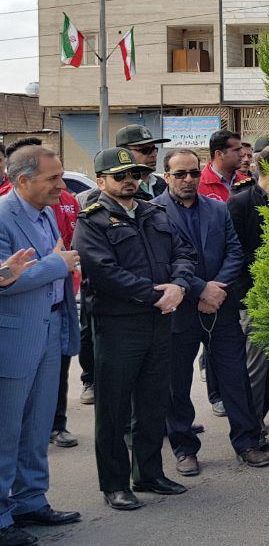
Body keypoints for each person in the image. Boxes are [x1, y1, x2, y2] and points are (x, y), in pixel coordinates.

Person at [74, 147, 196, 510]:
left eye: (135, 174)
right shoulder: (92, 221)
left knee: (153, 400)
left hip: (160, 321)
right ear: (100, 181)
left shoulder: (154, 212)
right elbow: (103, 271)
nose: (130, 181)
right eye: (120, 176)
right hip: (118, 325)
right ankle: (114, 484)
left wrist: (179, 286)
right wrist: (155, 295)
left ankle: (149, 473)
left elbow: (184, 253)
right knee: (113, 409)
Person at [153, 149, 269, 475]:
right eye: (180, 174)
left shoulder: (218, 209)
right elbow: (162, 262)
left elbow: (235, 251)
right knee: (177, 382)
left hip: (222, 305)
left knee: (235, 376)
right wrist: (200, 289)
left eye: (193, 173)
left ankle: (247, 442)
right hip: (180, 309)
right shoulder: (153, 213)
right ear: (167, 177)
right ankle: (184, 447)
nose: (188, 179)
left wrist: (216, 288)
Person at [0, 146, 82, 543]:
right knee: (6, 429)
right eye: (52, 179)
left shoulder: (46, 212)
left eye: (60, 176)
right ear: (22, 181)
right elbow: (4, 280)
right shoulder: (2, 216)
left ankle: (31, 500)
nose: (61, 185)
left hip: (48, 329)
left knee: (37, 425)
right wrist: (57, 263)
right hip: (14, 337)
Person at [226, 147, 269, 440]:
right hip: (254, 297)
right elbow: (235, 253)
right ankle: (251, 426)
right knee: (256, 365)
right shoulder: (240, 203)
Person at [114, 125, 170, 200]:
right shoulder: (117, 190)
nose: (153, 155)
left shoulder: (165, 184)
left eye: (154, 149)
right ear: (124, 154)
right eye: (145, 150)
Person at [198, 130, 250, 202]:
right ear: (219, 154)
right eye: (237, 150)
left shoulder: (247, 182)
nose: (242, 154)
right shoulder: (198, 185)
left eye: (241, 149)